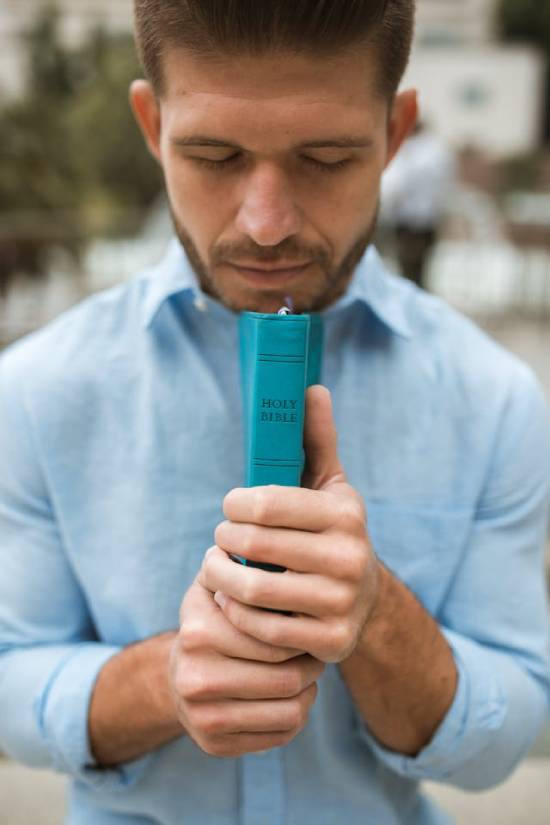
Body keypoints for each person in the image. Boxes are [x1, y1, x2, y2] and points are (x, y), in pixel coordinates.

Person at [0, 2, 549, 824]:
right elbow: (10, 676)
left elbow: (514, 726)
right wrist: (168, 678)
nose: (267, 224)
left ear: (396, 132)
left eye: (326, 157)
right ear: (152, 125)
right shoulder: (36, 388)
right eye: (214, 155)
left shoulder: (493, 396)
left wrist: (375, 612)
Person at [380, 121, 456, 289]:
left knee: (408, 265)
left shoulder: (412, 152)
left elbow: (397, 184)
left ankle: (411, 298)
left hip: (409, 219)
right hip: (429, 219)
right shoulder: (439, 151)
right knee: (421, 265)